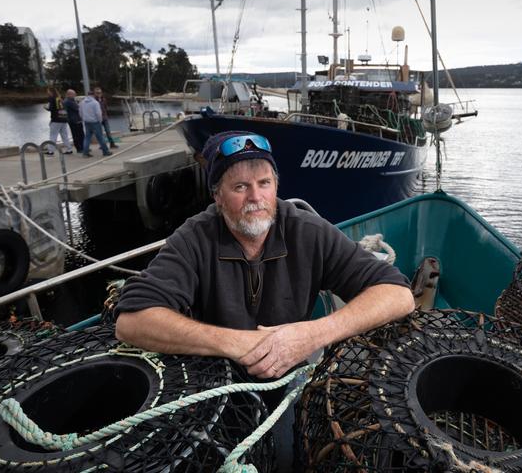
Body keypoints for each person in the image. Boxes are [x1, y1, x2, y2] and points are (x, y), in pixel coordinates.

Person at [115, 131, 414, 378]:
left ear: (276, 187)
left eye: (264, 183)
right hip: (210, 379)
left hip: (288, 375)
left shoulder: (307, 231)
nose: (255, 198)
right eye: (240, 187)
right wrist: (239, 344)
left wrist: (311, 335)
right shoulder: (195, 238)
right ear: (217, 196)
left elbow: (398, 294)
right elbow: (132, 322)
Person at [79, 91, 112, 157]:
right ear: (93, 95)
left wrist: (84, 119)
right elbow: (98, 113)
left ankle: (85, 153)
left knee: (87, 137)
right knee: (100, 137)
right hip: (95, 122)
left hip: (87, 122)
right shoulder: (95, 103)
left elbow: (80, 112)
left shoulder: (82, 102)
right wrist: (100, 120)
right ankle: (105, 151)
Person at [45, 87, 72, 155]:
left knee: (53, 135)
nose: (47, 93)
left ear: (51, 92)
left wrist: (45, 107)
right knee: (64, 135)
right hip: (63, 119)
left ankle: (51, 151)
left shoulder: (52, 98)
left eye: (48, 91)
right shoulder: (60, 98)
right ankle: (69, 149)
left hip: (56, 119)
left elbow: (50, 108)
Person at [63, 89, 84, 153]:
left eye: (75, 94)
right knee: (76, 135)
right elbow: (77, 108)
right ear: (69, 94)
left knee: (81, 134)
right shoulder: (68, 101)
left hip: (77, 119)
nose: (75, 95)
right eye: (73, 94)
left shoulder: (72, 100)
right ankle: (79, 148)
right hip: (73, 121)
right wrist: (80, 103)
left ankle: (83, 147)